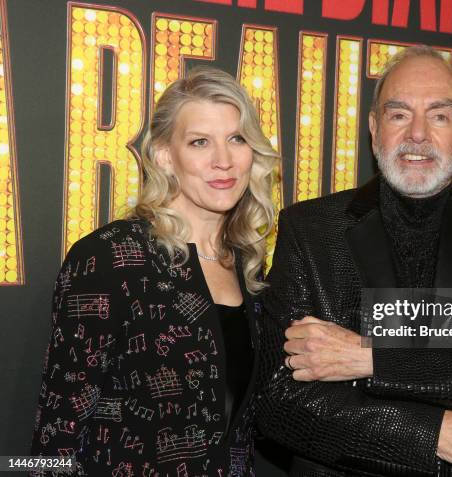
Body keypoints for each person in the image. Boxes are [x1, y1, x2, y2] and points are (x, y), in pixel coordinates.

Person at [257, 46, 452, 477]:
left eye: (439, 115)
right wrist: (435, 433)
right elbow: (279, 402)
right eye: (398, 115)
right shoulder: (309, 229)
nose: (417, 134)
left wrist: (372, 354)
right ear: (375, 130)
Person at [30, 66, 277, 475]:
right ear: (165, 155)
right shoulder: (111, 258)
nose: (223, 160)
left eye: (237, 138)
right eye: (200, 142)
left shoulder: (249, 265)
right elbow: (56, 433)